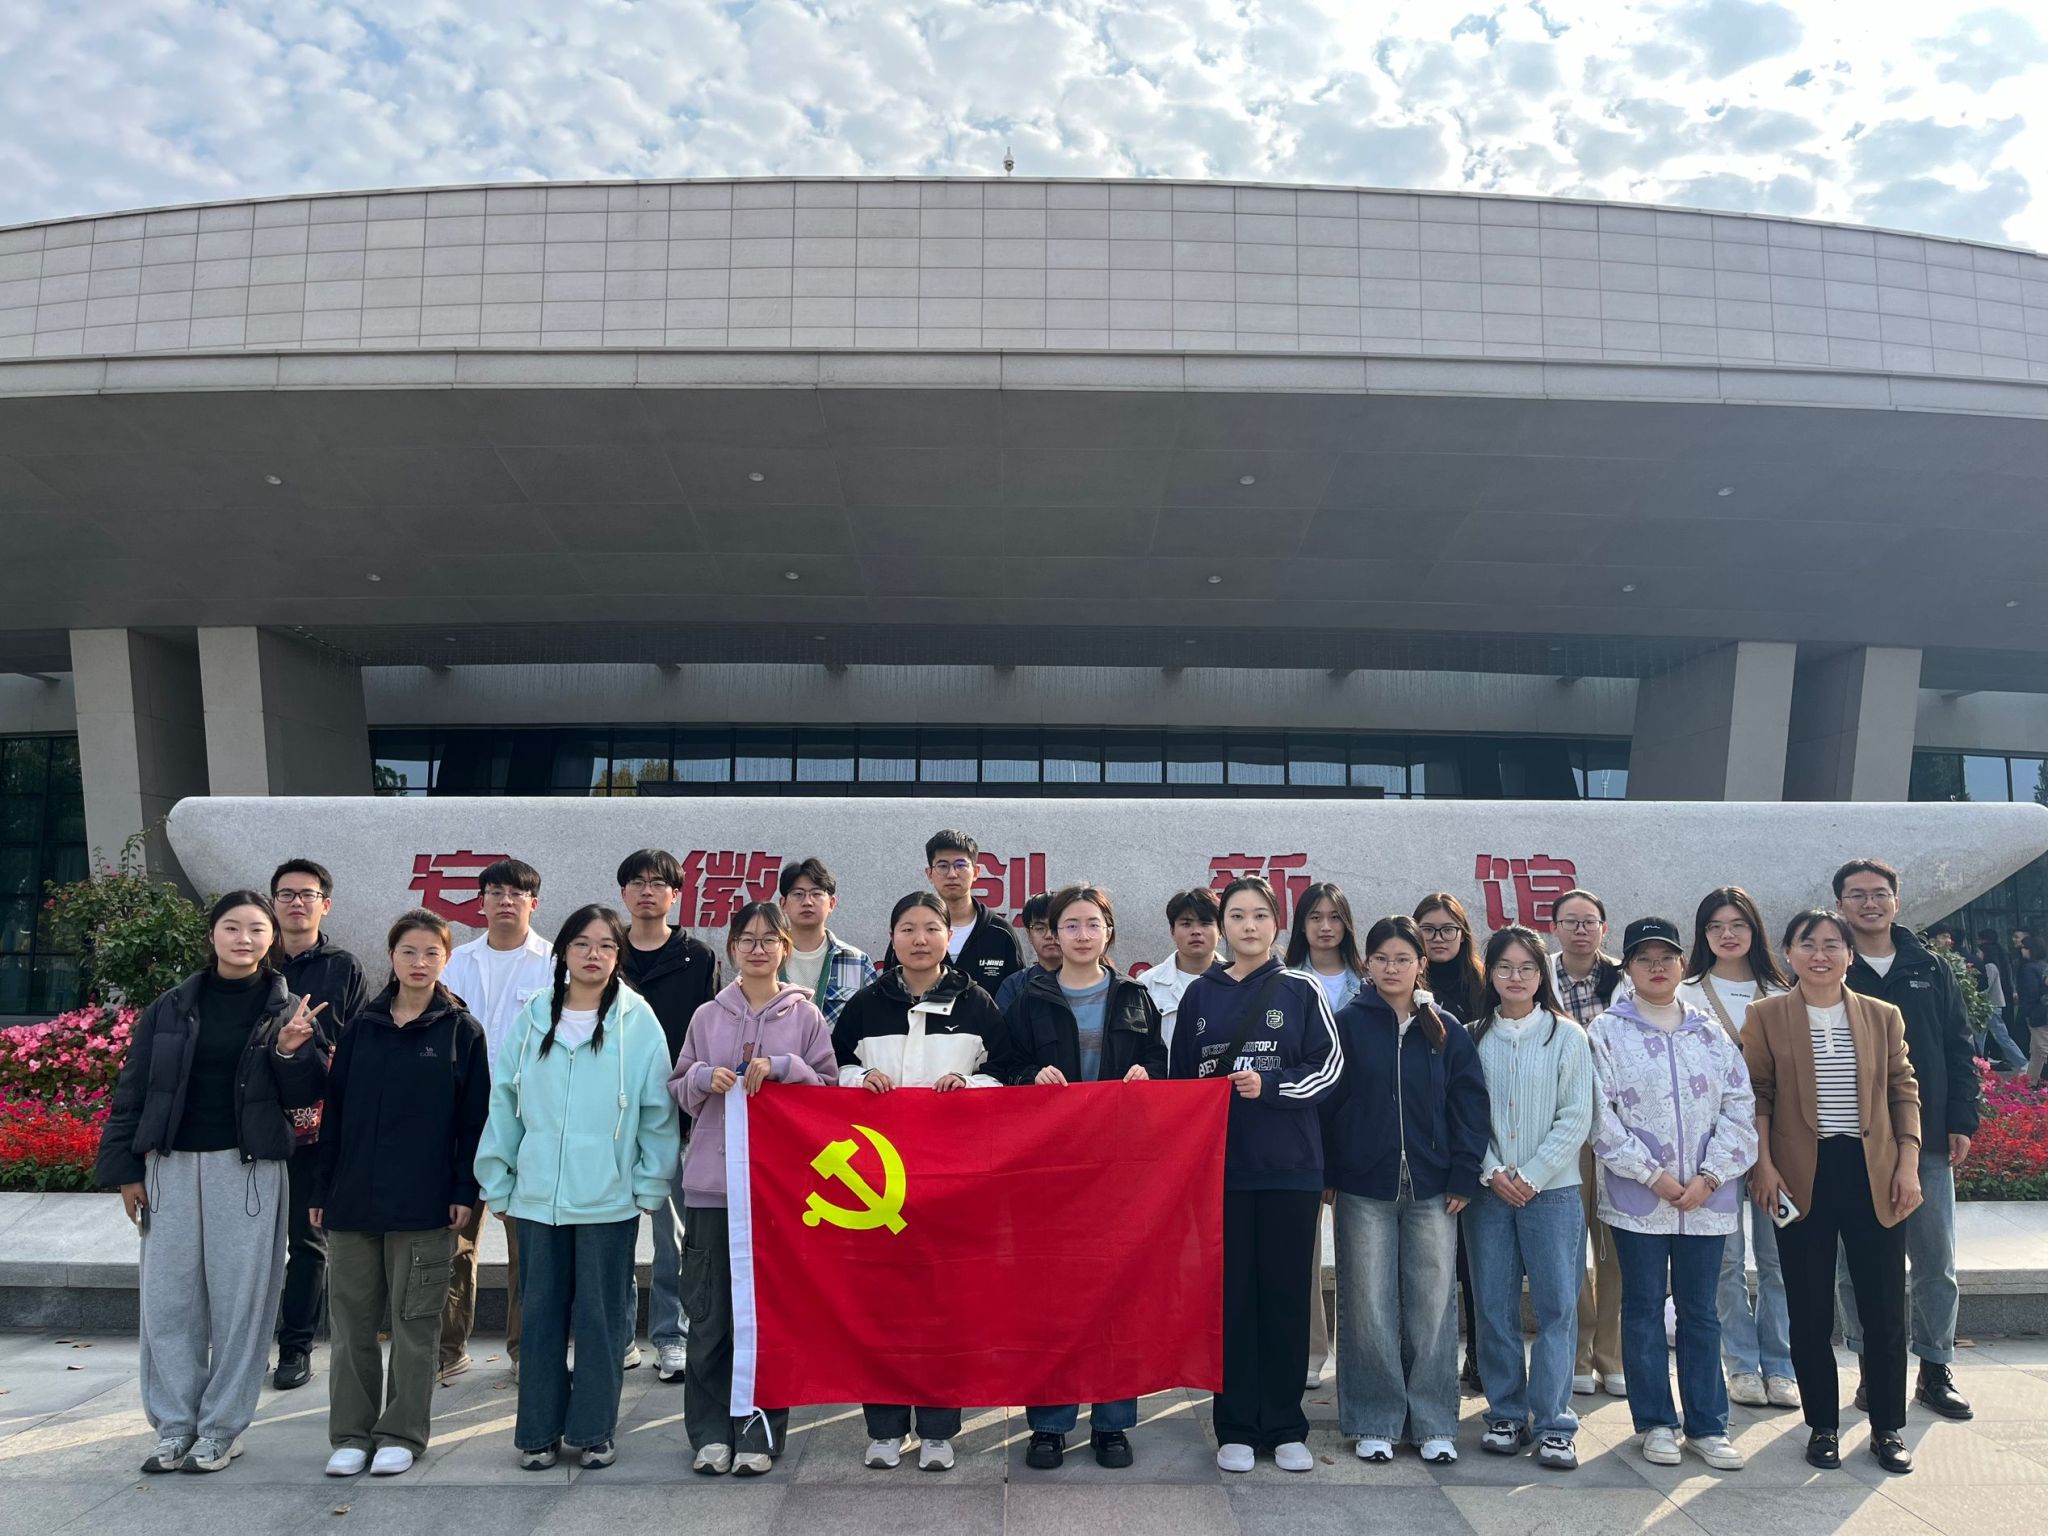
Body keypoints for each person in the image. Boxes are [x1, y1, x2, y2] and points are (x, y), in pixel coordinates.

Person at [94, 890, 328, 1475]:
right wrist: (126, 1170)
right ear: (212, 934)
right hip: (168, 1166)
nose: (244, 938)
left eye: (256, 929)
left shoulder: (288, 1009)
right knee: (169, 1302)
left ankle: (222, 1428)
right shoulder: (171, 1006)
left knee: (240, 1304)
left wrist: (292, 1053)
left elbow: (309, 1098)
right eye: (231, 927)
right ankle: (175, 1426)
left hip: (247, 1170)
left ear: (272, 939)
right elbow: (134, 1089)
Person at [474, 905, 682, 1472]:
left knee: (602, 1316)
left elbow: (656, 1109)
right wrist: (498, 1177)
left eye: (607, 946)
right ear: (563, 951)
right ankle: (537, 1433)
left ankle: (594, 1430)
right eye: (583, 944)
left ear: (618, 957)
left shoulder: (636, 1020)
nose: (594, 955)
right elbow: (505, 1100)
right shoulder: (535, 1015)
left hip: (608, 1198)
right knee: (540, 1312)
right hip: (537, 1195)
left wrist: (649, 1182)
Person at [833, 891, 1017, 1470]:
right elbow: (832, 1067)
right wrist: (860, 1078)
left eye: (931, 928)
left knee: (945, 1305)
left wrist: (971, 1085)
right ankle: (885, 1428)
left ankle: (939, 1430)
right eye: (908, 928)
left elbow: (1007, 1071)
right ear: (892, 938)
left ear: (947, 936)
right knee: (881, 1306)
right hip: (878, 1183)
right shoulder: (867, 1003)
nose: (919, 939)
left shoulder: (977, 1002)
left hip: (952, 1181)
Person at [1169, 875, 1343, 1476]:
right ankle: (1237, 1427)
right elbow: (1181, 1085)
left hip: (1290, 1169)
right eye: (1237, 916)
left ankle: (1286, 1426)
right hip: (1223, 1172)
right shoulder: (1200, 995)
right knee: (1232, 1302)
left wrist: (1269, 1086)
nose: (1248, 926)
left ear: (1276, 925)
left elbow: (1328, 1068)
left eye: (1260, 915)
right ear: (1223, 927)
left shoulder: (1301, 988)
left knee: (1285, 1298)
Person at [311, 910, 489, 1478]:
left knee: (416, 1322)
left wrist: (464, 1189)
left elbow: (473, 1122)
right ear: (391, 956)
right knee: (352, 1325)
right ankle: (351, 1433)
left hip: (425, 1200)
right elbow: (334, 1114)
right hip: (353, 1200)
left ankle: (402, 1432)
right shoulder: (361, 1027)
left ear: (446, 959)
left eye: (431, 953)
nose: (419, 962)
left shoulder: (461, 1031)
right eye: (408, 951)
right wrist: (322, 1186)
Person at [1743, 909, 1922, 1475]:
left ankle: (1888, 1427)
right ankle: (1822, 1425)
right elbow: (1757, 1094)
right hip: (1801, 1174)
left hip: (1873, 1171)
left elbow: (1902, 1090)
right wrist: (1763, 1166)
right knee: (1809, 1309)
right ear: (1789, 953)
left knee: (1883, 1308)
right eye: (1808, 944)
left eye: (1831, 945)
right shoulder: (1766, 1015)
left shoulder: (1881, 1015)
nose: (1820, 955)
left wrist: (1908, 1164)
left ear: (1849, 954)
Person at [1003, 882, 1168, 1472]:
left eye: (1091, 923)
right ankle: (1048, 1424)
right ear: (1052, 934)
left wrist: (1147, 1074)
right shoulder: (1029, 999)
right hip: (1051, 1171)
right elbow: (1002, 1066)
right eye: (1068, 925)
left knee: (1117, 1294)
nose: (1080, 934)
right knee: (1051, 1297)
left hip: (1119, 1171)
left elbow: (1160, 1062)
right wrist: (1030, 1076)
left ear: (1108, 932)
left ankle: (1112, 1422)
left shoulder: (1134, 997)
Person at [671, 902, 838, 1476]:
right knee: (709, 1314)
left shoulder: (806, 1018)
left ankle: (759, 1432)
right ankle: (709, 1432)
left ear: (786, 949)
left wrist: (787, 1066)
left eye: (770, 940)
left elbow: (828, 1092)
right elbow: (678, 1084)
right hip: (713, 1188)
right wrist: (702, 1078)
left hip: (776, 1191)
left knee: (766, 1318)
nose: (759, 948)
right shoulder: (707, 1016)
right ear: (732, 948)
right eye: (748, 939)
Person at [1588, 916, 1757, 1472]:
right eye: (1644, 958)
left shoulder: (1710, 1033)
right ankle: (1656, 1422)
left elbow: (1740, 1108)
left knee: (1700, 1311)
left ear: (1683, 964)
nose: (1656, 967)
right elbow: (1600, 1117)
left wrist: (1711, 1176)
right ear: (1628, 968)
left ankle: (1708, 1425)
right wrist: (1652, 1175)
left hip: (1707, 1200)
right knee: (1641, 1308)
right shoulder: (1606, 1033)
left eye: (1666, 957)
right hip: (1639, 1199)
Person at [1320, 914, 1488, 1466]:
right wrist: (1330, 1172)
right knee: (1367, 1305)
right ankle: (1375, 1419)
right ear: (1367, 964)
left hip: (1435, 1188)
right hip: (1363, 1187)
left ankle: (1434, 1422)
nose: (1392, 969)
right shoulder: (1346, 1024)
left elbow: (1469, 1105)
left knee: (1433, 1307)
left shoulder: (1445, 1028)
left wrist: (1464, 1173)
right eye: (1382, 959)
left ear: (1421, 964)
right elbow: (1326, 1105)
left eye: (1403, 959)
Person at [1832, 859, 1979, 1422]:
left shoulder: (1929, 966)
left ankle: (1936, 1369)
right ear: (1840, 904)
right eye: (1857, 895)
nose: (1869, 903)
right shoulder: (1831, 965)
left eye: (1879, 893)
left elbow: (1958, 1045)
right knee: (1857, 1266)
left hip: (1928, 1137)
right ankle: (1873, 1369)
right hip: (1853, 1139)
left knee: (1935, 1260)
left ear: (1896, 900)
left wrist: (1961, 1118)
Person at [1463, 924, 1595, 1472]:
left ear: (1542, 975)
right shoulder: (1471, 1037)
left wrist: (1534, 1174)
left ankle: (1554, 1422)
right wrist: (1493, 1171)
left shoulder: (1567, 1037)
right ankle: (1506, 1413)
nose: (1515, 977)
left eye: (1526, 968)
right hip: (1489, 1193)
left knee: (1557, 1307)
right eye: (1504, 967)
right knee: (1493, 1306)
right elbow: (1463, 1116)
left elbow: (1577, 1114)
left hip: (1554, 1193)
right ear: (1489, 974)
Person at [1676, 886, 1797, 1411]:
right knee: (1725, 1262)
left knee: (1778, 1258)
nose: (1727, 935)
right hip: (1712, 1150)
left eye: (1738, 925)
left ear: (1755, 930)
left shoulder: (1783, 991)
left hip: (1780, 1145)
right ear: (1702, 934)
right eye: (1715, 926)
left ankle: (1782, 1365)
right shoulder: (1685, 993)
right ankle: (1741, 1364)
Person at [439, 857, 552, 1385]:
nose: (506, 901)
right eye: (496, 892)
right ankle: (447, 1348)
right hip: (459, 1118)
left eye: (517, 893)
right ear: (480, 901)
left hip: (527, 1121)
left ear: (534, 902)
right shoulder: (455, 963)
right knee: (453, 1234)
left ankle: (526, 1349)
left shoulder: (554, 964)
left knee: (526, 1243)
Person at [616, 849, 720, 1382]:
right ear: (623, 892)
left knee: (671, 1237)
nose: (647, 891)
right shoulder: (607, 951)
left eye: (658, 883)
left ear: (676, 894)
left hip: (674, 1117)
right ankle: (616, 1336)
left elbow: (708, 1036)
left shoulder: (697, 958)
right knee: (609, 1232)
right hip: (609, 1115)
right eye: (637, 882)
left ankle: (670, 1335)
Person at [268, 858, 370, 1393]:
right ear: (273, 903)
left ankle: (296, 1347)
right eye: (286, 894)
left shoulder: (343, 967)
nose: (297, 903)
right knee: (248, 1245)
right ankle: (245, 1344)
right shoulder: (254, 959)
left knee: (307, 1240)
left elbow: (356, 1045)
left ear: (325, 905)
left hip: (314, 1125)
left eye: (307, 894)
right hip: (254, 1120)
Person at [1282, 881, 1365, 1390]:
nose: (1326, 926)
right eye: (1315, 917)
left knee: (1362, 1252)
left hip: (1359, 1129)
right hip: (1302, 1127)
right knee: (1304, 1252)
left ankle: (1360, 1357)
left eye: (1335, 916)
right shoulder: (1284, 982)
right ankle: (1312, 1350)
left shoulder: (1369, 982)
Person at [1549, 887, 1628, 1400]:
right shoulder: (1539, 975)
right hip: (1563, 1126)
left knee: (1615, 1245)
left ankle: (1611, 1353)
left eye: (1589, 921)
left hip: (1621, 1128)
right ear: (1554, 927)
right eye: (1570, 921)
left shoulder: (1626, 978)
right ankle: (1578, 1352)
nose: (1580, 930)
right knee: (1570, 1241)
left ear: (1603, 927)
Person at [1413, 891, 1488, 1391]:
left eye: (1448, 929)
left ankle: (1480, 1356)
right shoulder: (1403, 986)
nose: (1438, 938)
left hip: (1475, 1137)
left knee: (1475, 1262)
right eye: (1428, 929)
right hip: (1423, 1144)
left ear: (1463, 934)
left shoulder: (1484, 988)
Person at [887, 829, 1024, 1001]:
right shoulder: (909, 934)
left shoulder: (1000, 933)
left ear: (976, 872)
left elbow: (1018, 997)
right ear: (929, 874)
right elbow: (889, 990)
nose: (952, 874)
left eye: (960, 865)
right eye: (942, 866)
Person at [776, 856, 874, 1025]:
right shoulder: (764, 956)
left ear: (832, 903)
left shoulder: (857, 962)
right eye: (798, 894)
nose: (807, 902)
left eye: (816, 894)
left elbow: (874, 1021)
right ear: (783, 904)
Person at [1141, 886, 1221, 1052]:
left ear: (1220, 931)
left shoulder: (1238, 981)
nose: (1196, 931)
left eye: (1205, 923)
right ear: (1172, 931)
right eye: (1186, 924)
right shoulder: (1147, 985)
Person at [1973, 931, 2028, 1072]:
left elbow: (1986, 987)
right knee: (1982, 1036)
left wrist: (1975, 996)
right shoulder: (1995, 964)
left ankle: (2021, 1062)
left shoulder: (1989, 967)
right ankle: (1978, 1061)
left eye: (1979, 952)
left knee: (1997, 1036)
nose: (1978, 955)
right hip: (1991, 1005)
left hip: (1990, 1005)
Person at [994, 893, 1060, 1012]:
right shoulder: (1013, 986)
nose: (1049, 935)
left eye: (1055, 927)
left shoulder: (1088, 981)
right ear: (1029, 935)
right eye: (1040, 928)